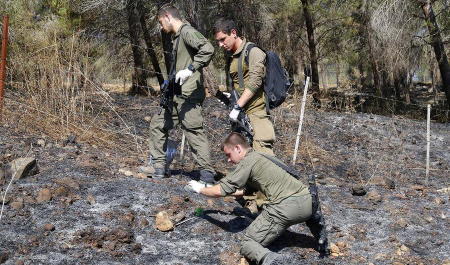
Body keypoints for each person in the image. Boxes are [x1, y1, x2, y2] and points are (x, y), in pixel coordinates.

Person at [186, 132, 329, 265]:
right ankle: (322, 243)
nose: (229, 160)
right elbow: (241, 191)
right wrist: (217, 190)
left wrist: (199, 189)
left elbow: (221, 190)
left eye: (228, 155)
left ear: (238, 148)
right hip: (308, 203)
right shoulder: (262, 156)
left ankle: (272, 260)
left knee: (249, 243)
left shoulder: (247, 162)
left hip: (286, 207)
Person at [148, 4, 216, 184]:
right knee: (158, 124)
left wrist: (191, 69)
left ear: (168, 17)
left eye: (162, 23)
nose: (162, 28)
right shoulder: (177, 37)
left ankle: (207, 176)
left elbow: (207, 48)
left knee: (193, 131)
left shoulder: (187, 32)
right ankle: (159, 167)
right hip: (177, 95)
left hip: (189, 95)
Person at [213, 18, 276, 156]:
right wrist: (232, 99)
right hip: (242, 117)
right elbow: (241, 84)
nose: (220, 44)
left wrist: (237, 106)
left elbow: (255, 82)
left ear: (233, 33)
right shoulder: (233, 57)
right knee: (244, 160)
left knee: (264, 160)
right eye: (218, 41)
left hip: (257, 114)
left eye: (223, 39)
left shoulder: (253, 52)